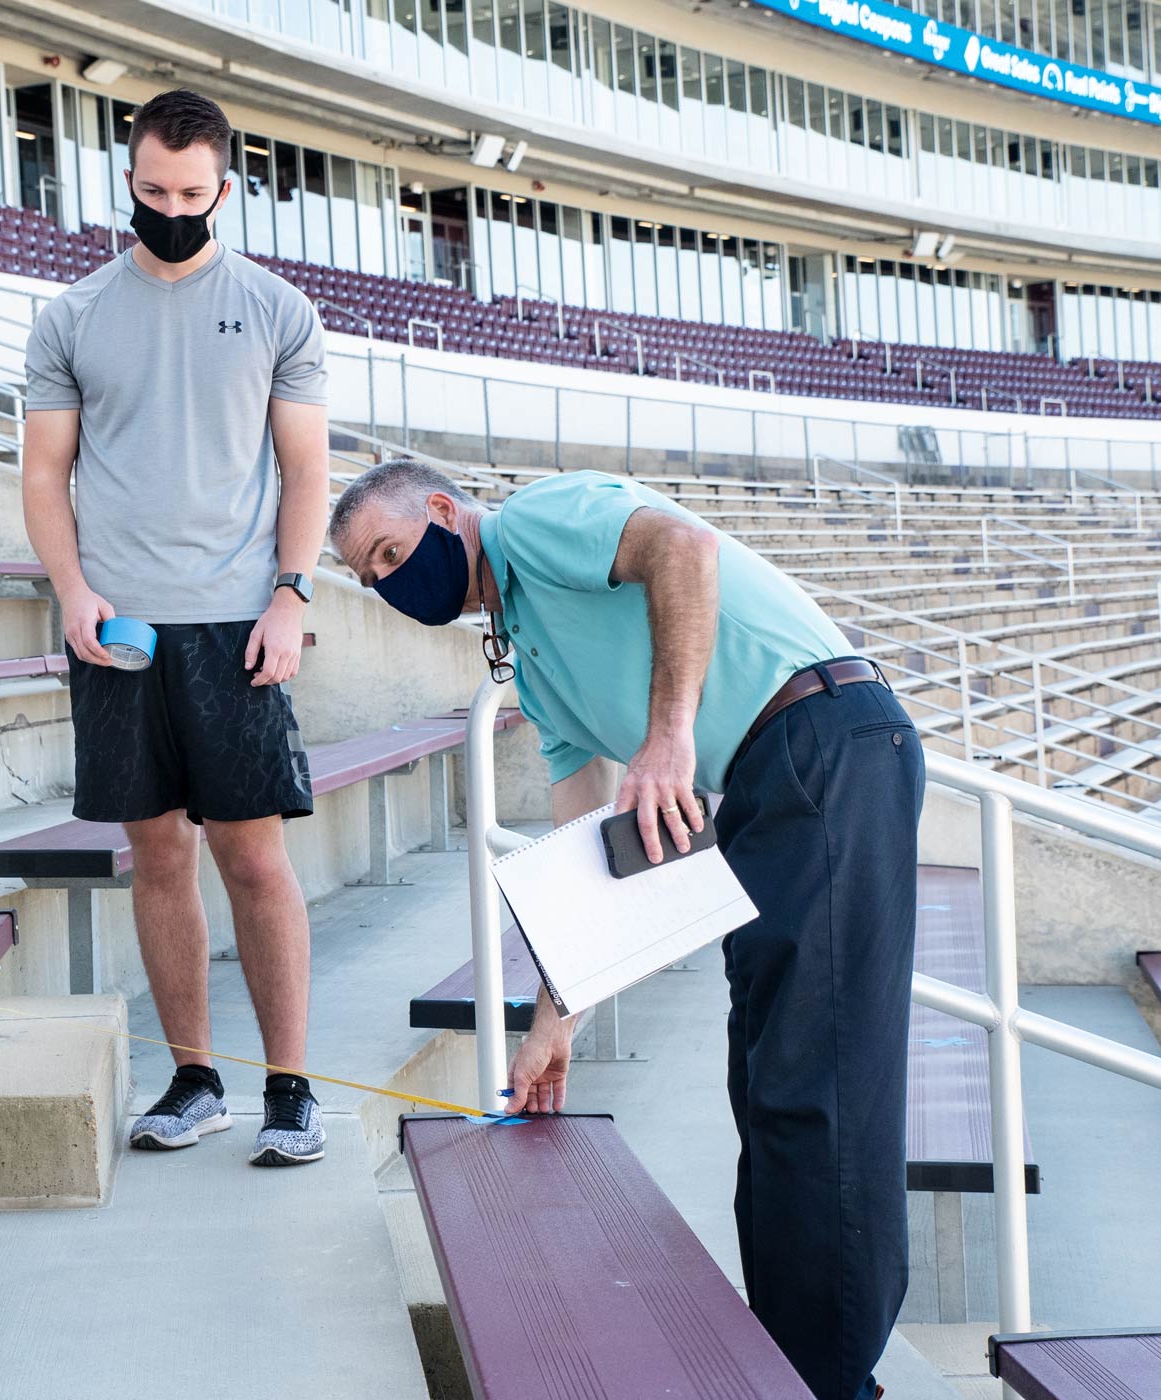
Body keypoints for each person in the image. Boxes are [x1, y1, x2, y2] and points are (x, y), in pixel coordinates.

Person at [330, 461, 922, 1400]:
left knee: (819, 1089)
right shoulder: (528, 650)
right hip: (773, 782)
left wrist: (669, 735)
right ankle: (791, 1363)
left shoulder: (534, 521)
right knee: (770, 1083)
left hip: (824, 740)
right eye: (372, 578)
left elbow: (683, 547)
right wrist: (553, 1021)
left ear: (445, 513)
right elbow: (582, 834)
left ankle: (832, 1382)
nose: (393, 583)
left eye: (393, 553)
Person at [20, 89, 332, 1167]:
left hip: (237, 625)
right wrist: (70, 591)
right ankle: (195, 1074)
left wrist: (291, 593)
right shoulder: (70, 316)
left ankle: (291, 1086)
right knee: (157, 855)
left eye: (192, 194)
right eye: (153, 190)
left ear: (226, 190)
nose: (171, 208)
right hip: (121, 627)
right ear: (128, 179)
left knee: (254, 860)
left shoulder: (280, 309)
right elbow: (44, 472)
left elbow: (305, 471)